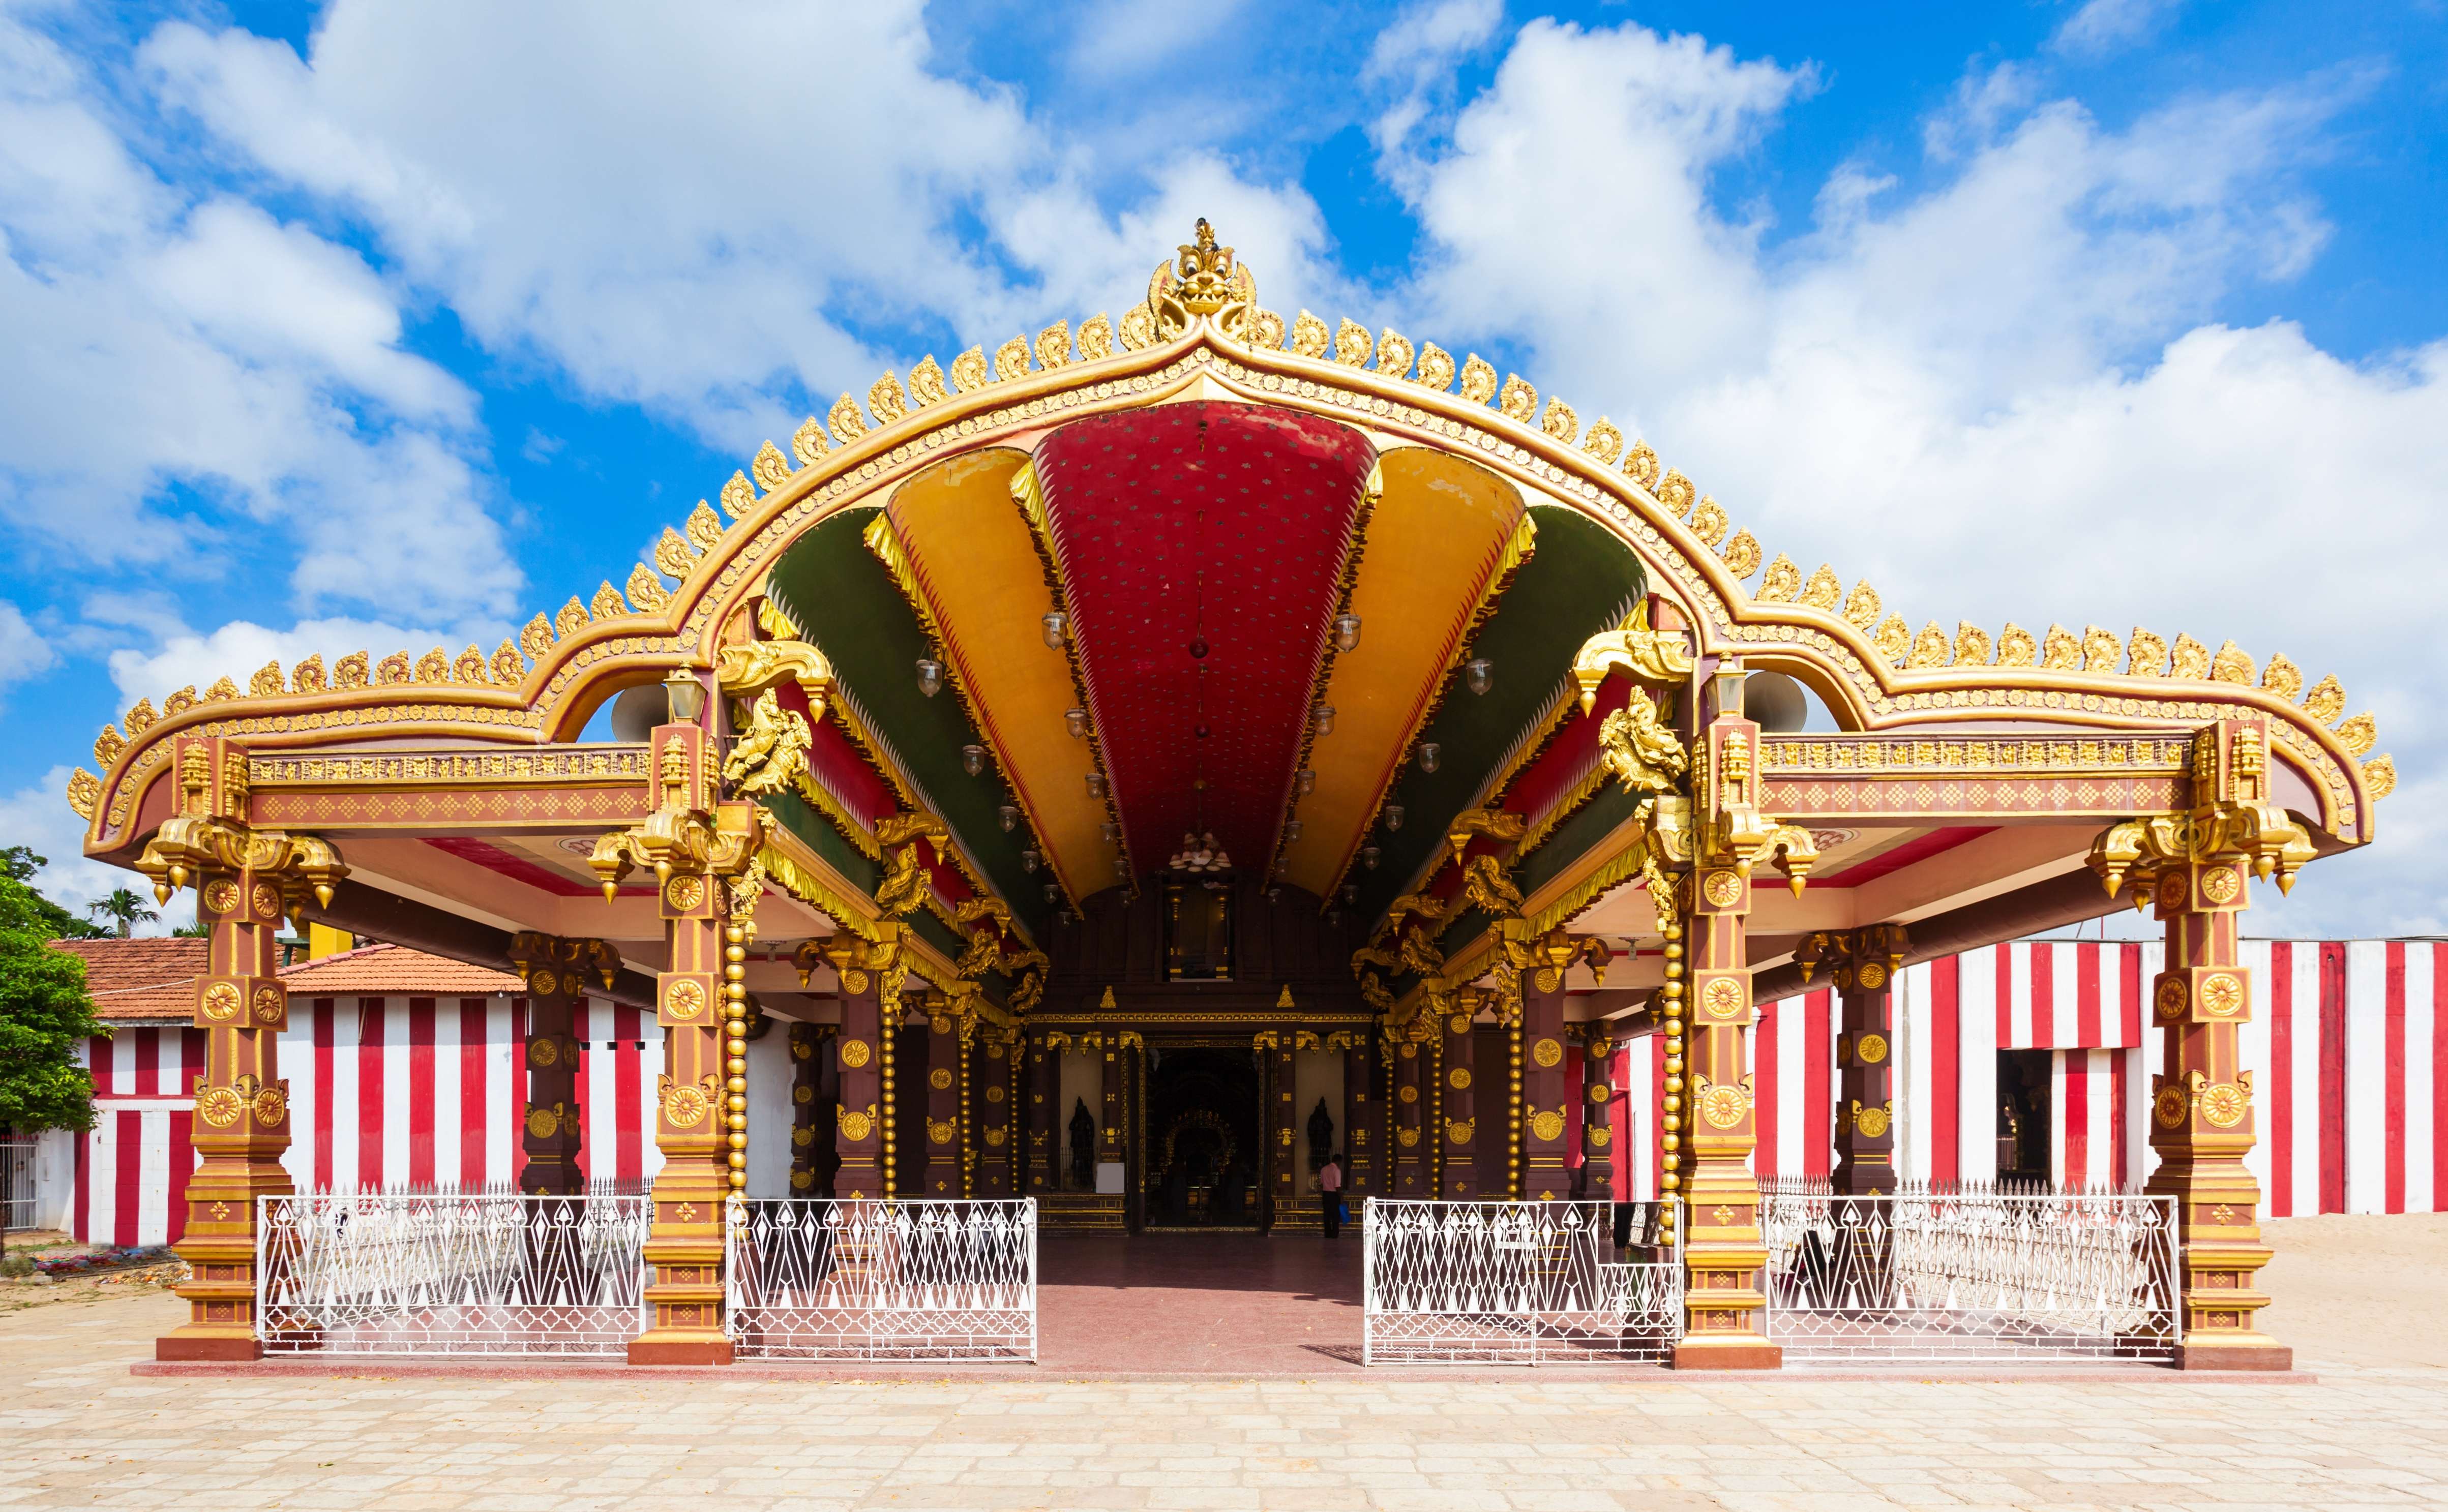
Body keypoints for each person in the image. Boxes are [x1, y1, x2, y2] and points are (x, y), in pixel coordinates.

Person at [1319, 1151, 1344, 1238]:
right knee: (1335, 1215)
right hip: (1334, 1195)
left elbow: (1321, 1183)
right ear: (1339, 1161)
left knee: (1327, 1215)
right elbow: (1337, 1185)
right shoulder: (1337, 1170)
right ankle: (1335, 1233)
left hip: (1326, 1194)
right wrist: (1341, 1196)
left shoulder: (1324, 1169)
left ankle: (1328, 1233)